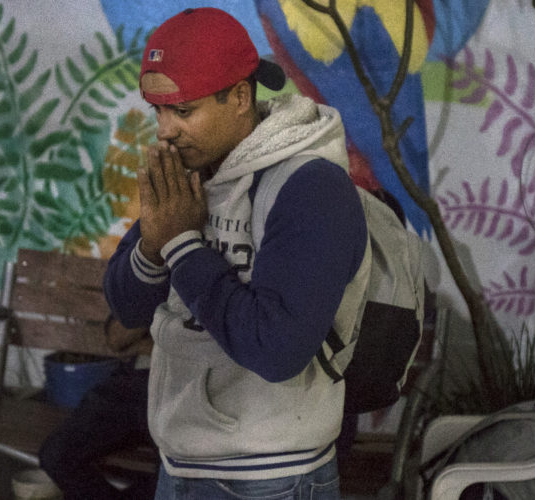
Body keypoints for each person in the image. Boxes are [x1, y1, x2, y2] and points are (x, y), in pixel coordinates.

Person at [103, 7, 371, 500]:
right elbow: (126, 308)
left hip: (272, 476)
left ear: (241, 97)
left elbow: (278, 350)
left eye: (183, 111)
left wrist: (182, 243)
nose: (164, 130)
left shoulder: (311, 187)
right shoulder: (191, 170)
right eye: (158, 110)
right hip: (180, 462)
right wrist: (152, 244)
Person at [38, 315, 158, 500]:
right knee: (56, 455)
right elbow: (116, 340)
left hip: (181, 391)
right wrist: (157, 298)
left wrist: (146, 345)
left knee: (173, 477)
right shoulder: (152, 287)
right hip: (130, 385)